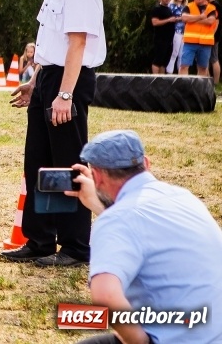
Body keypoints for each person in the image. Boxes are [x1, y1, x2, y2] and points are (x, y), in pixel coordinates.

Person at [0, 0, 106, 267]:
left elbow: (77, 43)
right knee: (40, 164)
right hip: (49, 77)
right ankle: (41, 240)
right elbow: (52, 40)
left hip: (69, 81)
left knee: (69, 164)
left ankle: (76, 246)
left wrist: (64, 95)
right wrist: (36, 81)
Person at [66, 130, 222, 344]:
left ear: (98, 176)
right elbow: (140, 231)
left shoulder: (117, 221)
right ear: (146, 164)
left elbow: (105, 295)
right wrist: (98, 205)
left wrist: (140, 342)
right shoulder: (183, 198)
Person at [179, 0, 217, 77]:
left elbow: (210, 21)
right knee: (184, 66)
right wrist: (200, 17)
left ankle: (200, 90)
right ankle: (182, 89)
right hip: (190, 42)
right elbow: (184, 18)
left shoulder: (211, 8)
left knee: (203, 68)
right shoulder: (188, 6)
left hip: (205, 43)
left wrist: (192, 19)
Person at [148, 0, 178, 74]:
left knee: (164, 63)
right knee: (157, 61)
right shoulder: (157, 9)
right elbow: (155, 22)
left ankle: (161, 82)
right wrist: (168, 20)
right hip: (160, 40)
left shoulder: (168, 9)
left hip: (169, 40)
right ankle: (155, 79)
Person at [165, 0, 186, 74]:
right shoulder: (171, 6)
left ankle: (180, 73)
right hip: (175, 32)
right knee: (175, 53)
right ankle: (169, 72)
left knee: (182, 54)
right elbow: (170, 18)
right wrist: (180, 18)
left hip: (184, 33)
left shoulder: (185, 7)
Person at [206, 0, 221, 84]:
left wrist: (211, 35)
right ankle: (207, 80)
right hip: (208, 35)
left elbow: (217, 22)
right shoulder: (208, 4)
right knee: (206, 58)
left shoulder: (215, 5)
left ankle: (215, 82)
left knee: (213, 58)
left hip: (213, 35)